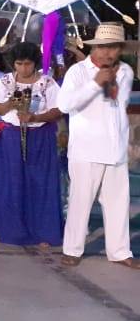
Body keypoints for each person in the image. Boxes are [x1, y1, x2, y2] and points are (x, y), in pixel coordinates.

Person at [57, 23, 139, 269]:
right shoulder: (78, 72)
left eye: (113, 47)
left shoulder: (125, 70)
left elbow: (117, 102)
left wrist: (107, 81)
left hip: (115, 147)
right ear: (95, 47)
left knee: (118, 202)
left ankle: (120, 251)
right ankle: (72, 249)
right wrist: (95, 82)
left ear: (120, 48)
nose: (107, 53)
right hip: (86, 148)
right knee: (80, 200)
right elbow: (65, 105)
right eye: (103, 47)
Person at [0, 42, 64, 249]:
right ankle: (12, 228)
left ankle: (44, 230)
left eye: (27, 64)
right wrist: (10, 103)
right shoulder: (6, 82)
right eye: (19, 64)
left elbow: (58, 110)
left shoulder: (47, 83)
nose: (23, 68)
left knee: (41, 182)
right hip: (10, 136)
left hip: (40, 135)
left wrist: (36, 116)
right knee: (12, 181)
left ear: (35, 63)